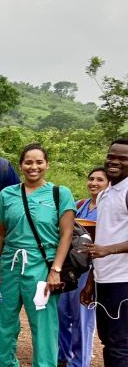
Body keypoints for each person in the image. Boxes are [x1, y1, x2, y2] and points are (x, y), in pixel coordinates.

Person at [0, 143, 74, 367]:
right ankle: (4, 363)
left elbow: (66, 235)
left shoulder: (59, 194)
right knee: (2, 322)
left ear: (47, 164)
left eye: (39, 162)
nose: (33, 166)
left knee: (43, 324)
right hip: (9, 264)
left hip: (42, 266)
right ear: (21, 165)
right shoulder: (7, 194)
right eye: (28, 162)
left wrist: (55, 270)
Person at [80, 139, 128, 367]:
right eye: (112, 156)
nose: (115, 161)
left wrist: (108, 250)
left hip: (123, 280)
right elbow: (103, 238)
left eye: (123, 158)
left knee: (119, 344)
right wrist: (91, 281)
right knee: (108, 340)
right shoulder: (105, 194)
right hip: (104, 279)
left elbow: (105, 246)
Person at [57, 167, 106, 367]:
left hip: (91, 268)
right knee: (62, 311)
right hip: (72, 266)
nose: (94, 183)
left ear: (109, 184)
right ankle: (62, 355)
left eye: (100, 180)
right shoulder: (80, 204)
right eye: (91, 179)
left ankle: (79, 361)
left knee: (82, 317)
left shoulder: (108, 207)